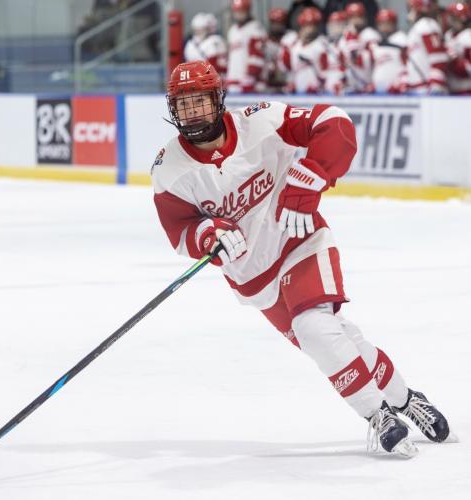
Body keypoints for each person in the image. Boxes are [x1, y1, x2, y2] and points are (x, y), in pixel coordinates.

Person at [151, 59, 452, 457]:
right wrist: (208, 235)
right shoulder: (168, 169)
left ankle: (378, 415)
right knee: (337, 339)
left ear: (218, 98)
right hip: (254, 277)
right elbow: (181, 231)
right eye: (184, 104)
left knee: (314, 329)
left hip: (300, 240)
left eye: (200, 101)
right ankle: (407, 399)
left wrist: (313, 175)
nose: (193, 113)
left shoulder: (261, 121)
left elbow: (334, 122)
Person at [406, 0, 449, 94]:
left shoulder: (427, 25)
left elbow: (438, 57)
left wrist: (436, 83)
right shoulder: (418, 27)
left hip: (427, 88)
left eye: (410, 8)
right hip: (417, 87)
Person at [338, 2, 380, 92]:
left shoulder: (371, 34)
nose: (356, 20)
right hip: (351, 85)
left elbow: (375, 60)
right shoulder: (344, 38)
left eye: (359, 16)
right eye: (353, 17)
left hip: (369, 83)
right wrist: (342, 80)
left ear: (364, 17)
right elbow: (341, 62)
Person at [226, 0, 267, 93]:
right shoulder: (232, 30)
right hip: (234, 79)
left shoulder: (255, 28)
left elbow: (257, 55)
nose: (239, 15)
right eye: (237, 12)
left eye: (242, 12)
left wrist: (251, 75)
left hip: (251, 81)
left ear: (248, 11)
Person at [288, 7, 330, 94]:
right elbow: (291, 70)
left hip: (318, 92)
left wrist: (319, 85)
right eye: (306, 25)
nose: (310, 29)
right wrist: (292, 83)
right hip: (298, 91)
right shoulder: (295, 46)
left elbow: (327, 72)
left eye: (312, 25)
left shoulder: (323, 44)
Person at [370, 9, 408, 93]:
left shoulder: (401, 39)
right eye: (382, 24)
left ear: (394, 24)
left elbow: (408, 66)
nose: (385, 27)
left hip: (398, 90)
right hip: (379, 91)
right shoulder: (376, 42)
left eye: (388, 23)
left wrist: (401, 82)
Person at [184, 13, 228, 80]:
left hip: (213, 77)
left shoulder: (214, 40)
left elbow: (219, 64)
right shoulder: (190, 45)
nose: (200, 32)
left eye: (202, 29)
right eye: (198, 30)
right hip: (198, 77)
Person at [444, 2, 471, 94]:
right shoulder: (447, 35)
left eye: (456, 17)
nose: (452, 20)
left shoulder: (468, 36)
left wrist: (454, 61)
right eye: (452, 17)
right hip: (450, 89)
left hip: (466, 90)